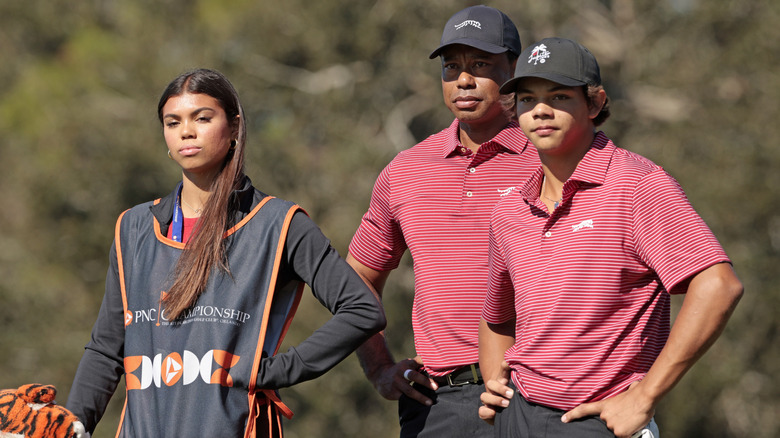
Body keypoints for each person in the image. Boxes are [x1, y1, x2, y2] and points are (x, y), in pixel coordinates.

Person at [66, 68, 386, 438]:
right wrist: (68, 425)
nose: (186, 130)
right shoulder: (133, 228)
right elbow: (106, 350)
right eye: (173, 122)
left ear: (234, 127)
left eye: (202, 118)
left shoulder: (278, 223)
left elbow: (362, 310)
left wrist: (273, 371)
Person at [478, 37, 744, 438]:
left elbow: (719, 286)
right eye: (528, 99)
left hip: (596, 421)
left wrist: (645, 397)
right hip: (518, 417)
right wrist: (494, 385)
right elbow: (496, 318)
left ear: (596, 103)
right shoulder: (510, 208)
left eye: (560, 96)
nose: (541, 111)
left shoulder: (638, 186)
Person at [346, 6, 539, 438]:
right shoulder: (406, 169)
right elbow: (357, 278)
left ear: (515, 70)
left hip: (537, 396)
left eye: (481, 65)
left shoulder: (549, 157)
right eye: (452, 67)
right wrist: (379, 368)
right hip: (439, 404)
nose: (463, 80)